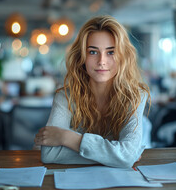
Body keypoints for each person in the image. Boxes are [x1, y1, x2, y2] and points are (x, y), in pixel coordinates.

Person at [34, 15, 150, 168]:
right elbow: (49, 155)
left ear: (122, 56)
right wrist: (116, 157)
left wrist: (68, 138)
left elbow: (126, 156)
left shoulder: (135, 97)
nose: (102, 61)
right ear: (82, 56)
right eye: (93, 52)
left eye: (110, 52)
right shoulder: (65, 97)